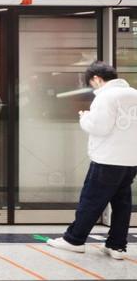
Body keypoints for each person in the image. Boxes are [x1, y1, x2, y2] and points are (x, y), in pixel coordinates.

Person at [48, 61, 137, 259]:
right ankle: (117, 245)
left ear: (97, 79)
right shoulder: (134, 94)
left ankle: (74, 239)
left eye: (92, 83)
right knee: (122, 203)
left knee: (91, 200)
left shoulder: (106, 96)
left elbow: (99, 127)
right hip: (131, 160)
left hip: (107, 159)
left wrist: (84, 117)